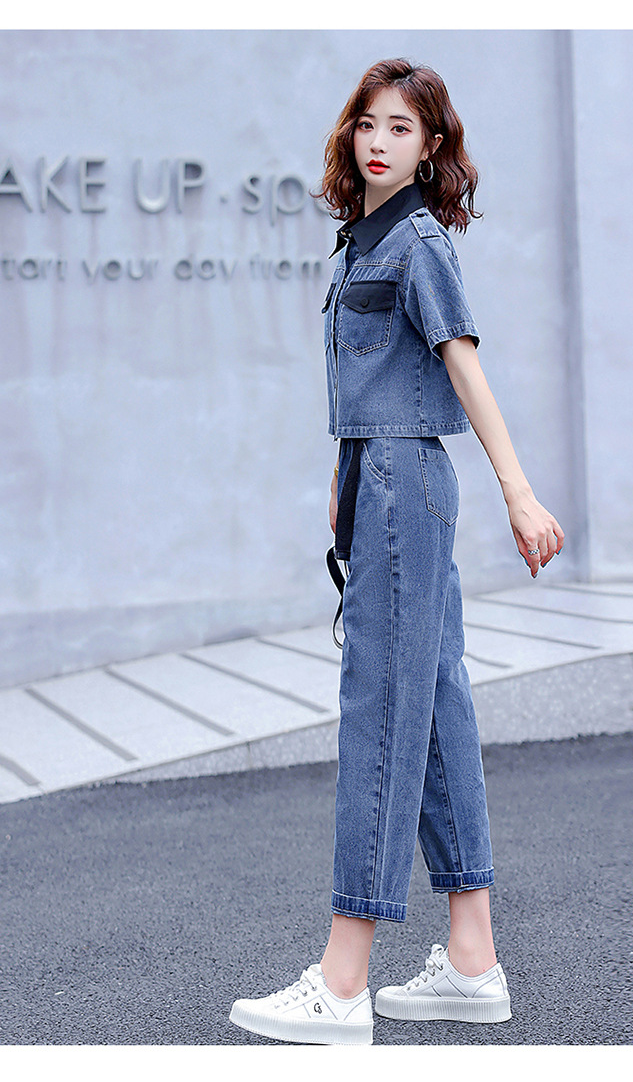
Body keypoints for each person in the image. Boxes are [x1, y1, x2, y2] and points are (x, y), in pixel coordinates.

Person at [229, 57, 564, 1046]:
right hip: (378, 482)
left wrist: (519, 492)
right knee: (436, 705)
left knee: (379, 706)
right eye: (368, 123)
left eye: (401, 129)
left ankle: (342, 981)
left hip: (403, 485)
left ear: (431, 148)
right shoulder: (360, 243)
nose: (379, 141)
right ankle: (472, 958)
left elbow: (463, 365)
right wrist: (345, 489)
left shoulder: (417, 244)